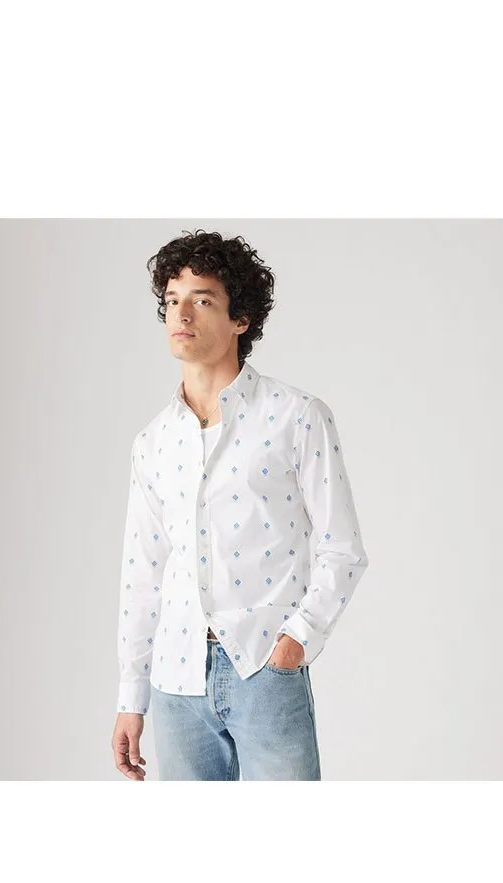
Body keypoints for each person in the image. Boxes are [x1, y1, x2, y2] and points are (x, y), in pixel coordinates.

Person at [111, 229, 368, 780]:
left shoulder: (297, 417)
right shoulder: (153, 442)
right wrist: (131, 697)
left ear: (240, 319)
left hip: (264, 670)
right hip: (175, 682)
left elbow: (342, 549)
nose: (182, 315)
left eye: (202, 301)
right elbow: (143, 573)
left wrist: (295, 642)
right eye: (172, 300)